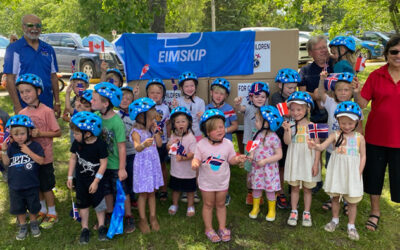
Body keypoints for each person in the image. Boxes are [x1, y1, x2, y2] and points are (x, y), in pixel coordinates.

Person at [353, 34, 400, 232]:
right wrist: (356, 91)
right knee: (374, 178)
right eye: (394, 52)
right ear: (387, 54)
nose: (398, 55)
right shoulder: (376, 75)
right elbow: (362, 104)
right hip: (375, 137)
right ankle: (375, 211)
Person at [308, 101, 365, 241]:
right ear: (338, 120)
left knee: (352, 201)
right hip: (337, 172)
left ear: (357, 122)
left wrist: (359, 172)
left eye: (350, 123)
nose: (346, 126)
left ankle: (351, 225)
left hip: (352, 173)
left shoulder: (359, 138)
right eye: (343, 123)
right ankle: (335, 219)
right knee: (335, 197)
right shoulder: (335, 135)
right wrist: (315, 146)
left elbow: (363, 155)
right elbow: (322, 147)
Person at [192, 109, 246, 243]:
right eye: (215, 129)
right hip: (207, 183)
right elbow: (197, 158)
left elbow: (231, 159)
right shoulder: (201, 144)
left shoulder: (227, 144)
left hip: (222, 181)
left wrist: (237, 159)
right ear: (207, 131)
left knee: (221, 204)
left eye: (221, 127)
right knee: (208, 204)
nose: (220, 130)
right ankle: (208, 228)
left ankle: (222, 227)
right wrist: (195, 162)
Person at [17, 73, 61, 229]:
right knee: (36, 186)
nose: (25, 95)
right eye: (22, 92)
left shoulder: (46, 111)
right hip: (30, 157)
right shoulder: (22, 114)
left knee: (46, 186)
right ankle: (41, 209)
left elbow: (58, 132)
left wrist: (41, 133)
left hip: (45, 157)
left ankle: (52, 213)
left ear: (39, 92)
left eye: (28, 91)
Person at [318, 71, 363, 212]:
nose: (343, 93)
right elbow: (320, 93)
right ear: (334, 91)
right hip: (332, 149)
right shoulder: (331, 103)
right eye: (339, 90)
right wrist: (322, 80)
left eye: (346, 90)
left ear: (351, 91)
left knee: (347, 175)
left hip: (349, 151)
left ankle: (347, 202)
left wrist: (356, 92)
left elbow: (360, 129)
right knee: (333, 173)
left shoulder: (355, 108)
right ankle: (334, 198)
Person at [4, 14, 61, 117]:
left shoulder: (48, 49)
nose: (35, 29)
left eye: (38, 26)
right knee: (28, 133)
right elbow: (10, 80)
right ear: (23, 27)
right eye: (30, 25)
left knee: (47, 132)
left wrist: (57, 102)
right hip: (24, 106)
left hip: (47, 104)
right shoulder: (14, 49)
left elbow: (53, 77)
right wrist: (17, 106)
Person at [66, 112, 108, 243]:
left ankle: (101, 226)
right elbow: (73, 158)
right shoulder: (77, 144)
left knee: (99, 203)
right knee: (82, 204)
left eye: (77, 133)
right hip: (81, 180)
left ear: (88, 134)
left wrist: (96, 181)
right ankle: (84, 228)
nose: (74, 135)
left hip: (96, 181)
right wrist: (69, 177)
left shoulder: (100, 145)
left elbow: (103, 164)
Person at [1, 115, 44, 240]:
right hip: (15, 185)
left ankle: (33, 223)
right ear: (11, 136)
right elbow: (6, 163)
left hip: (31, 184)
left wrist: (28, 152)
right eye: (16, 134)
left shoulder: (35, 146)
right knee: (18, 207)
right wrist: (4, 151)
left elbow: (41, 161)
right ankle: (23, 225)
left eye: (22, 133)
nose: (19, 137)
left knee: (33, 206)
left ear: (29, 132)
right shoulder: (11, 148)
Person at [90, 82, 128, 226]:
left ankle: (126, 216)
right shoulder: (97, 117)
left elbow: (122, 147)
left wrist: (122, 168)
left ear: (105, 103)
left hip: (115, 165)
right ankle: (109, 215)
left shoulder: (117, 122)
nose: (91, 101)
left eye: (94, 100)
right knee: (106, 191)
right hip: (102, 165)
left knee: (120, 192)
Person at [282, 91, 321, 227]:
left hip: (308, 161)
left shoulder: (313, 126)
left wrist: (316, 164)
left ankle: (306, 212)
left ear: (307, 109)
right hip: (295, 159)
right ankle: (294, 211)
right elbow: (287, 142)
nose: (295, 112)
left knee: (307, 189)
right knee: (294, 188)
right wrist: (287, 130)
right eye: (292, 109)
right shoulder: (291, 125)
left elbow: (317, 147)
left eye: (299, 109)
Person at [128, 97, 163, 233]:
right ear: (141, 117)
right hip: (143, 166)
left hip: (153, 164)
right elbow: (137, 147)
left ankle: (153, 217)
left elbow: (159, 144)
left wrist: (155, 131)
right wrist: (143, 144)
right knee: (143, 194)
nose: (153, 120)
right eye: (150, 118)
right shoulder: (136, 131)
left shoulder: (150, 130)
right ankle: (143, 219)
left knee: (152, 193)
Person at [233, 81, 269, 205]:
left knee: (262, 168)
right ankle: (250, 193)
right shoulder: (248, 108)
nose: (260, 99)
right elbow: (240, 109)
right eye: (257, 96)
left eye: (263, 96)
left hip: (264, 144)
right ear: (251, 97)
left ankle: (260, 193)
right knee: (250, 169)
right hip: (250, 143)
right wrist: (237, 104)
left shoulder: (268, 110)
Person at [248, 106, 283, 221]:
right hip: (257, 168)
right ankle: (255, 207)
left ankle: (272, 210)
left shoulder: (274, 138)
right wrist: (251, 155)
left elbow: (279, 155)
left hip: (269, 170)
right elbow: (252, 147)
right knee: (256, 188)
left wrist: (266, 161)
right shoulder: (256, 134)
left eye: (257, 120)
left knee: (270, 189)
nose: (255, 123)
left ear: (267, 123)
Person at [271, 68, 300, 209]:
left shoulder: (296, 97)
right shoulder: (276, 97)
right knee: (280, 167)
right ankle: (280, 192)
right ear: (280, 85)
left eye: (294, 87)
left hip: (294, 137)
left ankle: (293, 190)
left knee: (293, 165)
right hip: (280, 137)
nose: (292, 90)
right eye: (289, 87)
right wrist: (296, 107)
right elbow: (287, 112)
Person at [206, 78, 238, 206]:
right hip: (211, 144)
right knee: (211, 168)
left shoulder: (229, 108)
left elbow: (235, 125)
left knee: (224, 169)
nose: (219, 96)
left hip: (225, 144)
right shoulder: (207, 108)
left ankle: (224, 193)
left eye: (222, 94)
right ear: (211, 93)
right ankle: (212, 191)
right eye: (216, 93)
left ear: (226, 95)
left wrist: (224, 130)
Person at [166, 107, 197, 216]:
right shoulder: (173, 135)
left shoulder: (191, 138)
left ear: (189, 123)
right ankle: (175, 204)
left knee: (190, 191)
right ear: (174, 124)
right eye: (177, 122)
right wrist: (170, 145)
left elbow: (193, 153)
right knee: (175, 189)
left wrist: (183, 158)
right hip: (176, 171)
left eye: (183, 121)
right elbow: (168, 148)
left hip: (188, 172)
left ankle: (190, 205)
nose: (181, 124)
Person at [146, 78, 170, 201]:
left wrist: (169, 140)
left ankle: (164, 189)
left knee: (161, 166)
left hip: (162, 141)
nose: (155, 95)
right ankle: (153, 189)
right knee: (151, 167)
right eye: (152, 92)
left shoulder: (165, 108)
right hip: (149, 142)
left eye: (158, 93)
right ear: (147, 94)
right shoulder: (145, 107)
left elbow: (169, 124)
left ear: (163, 94)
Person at [117, 85, 136, 232]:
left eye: (129, 99)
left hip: (133, 152)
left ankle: (133, 198)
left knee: (132, 176)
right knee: (122, 180)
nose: (125, 100)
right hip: (118, 155)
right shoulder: (114, 116)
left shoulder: (134, 116)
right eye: (123, 97)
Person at [172, 71, 205, 141]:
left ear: (195, 87)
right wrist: (175, 108)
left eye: (192, 86)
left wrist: (202, 116)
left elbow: (203, 121)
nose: (190, 89)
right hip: (182, 135)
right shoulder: (178, 101)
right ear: (181, 88)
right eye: (186, 86)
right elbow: (174, 120)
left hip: (197, 134)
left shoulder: (200, 102)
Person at [0, 107, 10, 181]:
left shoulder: (3, 114)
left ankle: (7, 172)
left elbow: (9, 129)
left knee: (5, 162)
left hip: (3, 145)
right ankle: (3, 171)